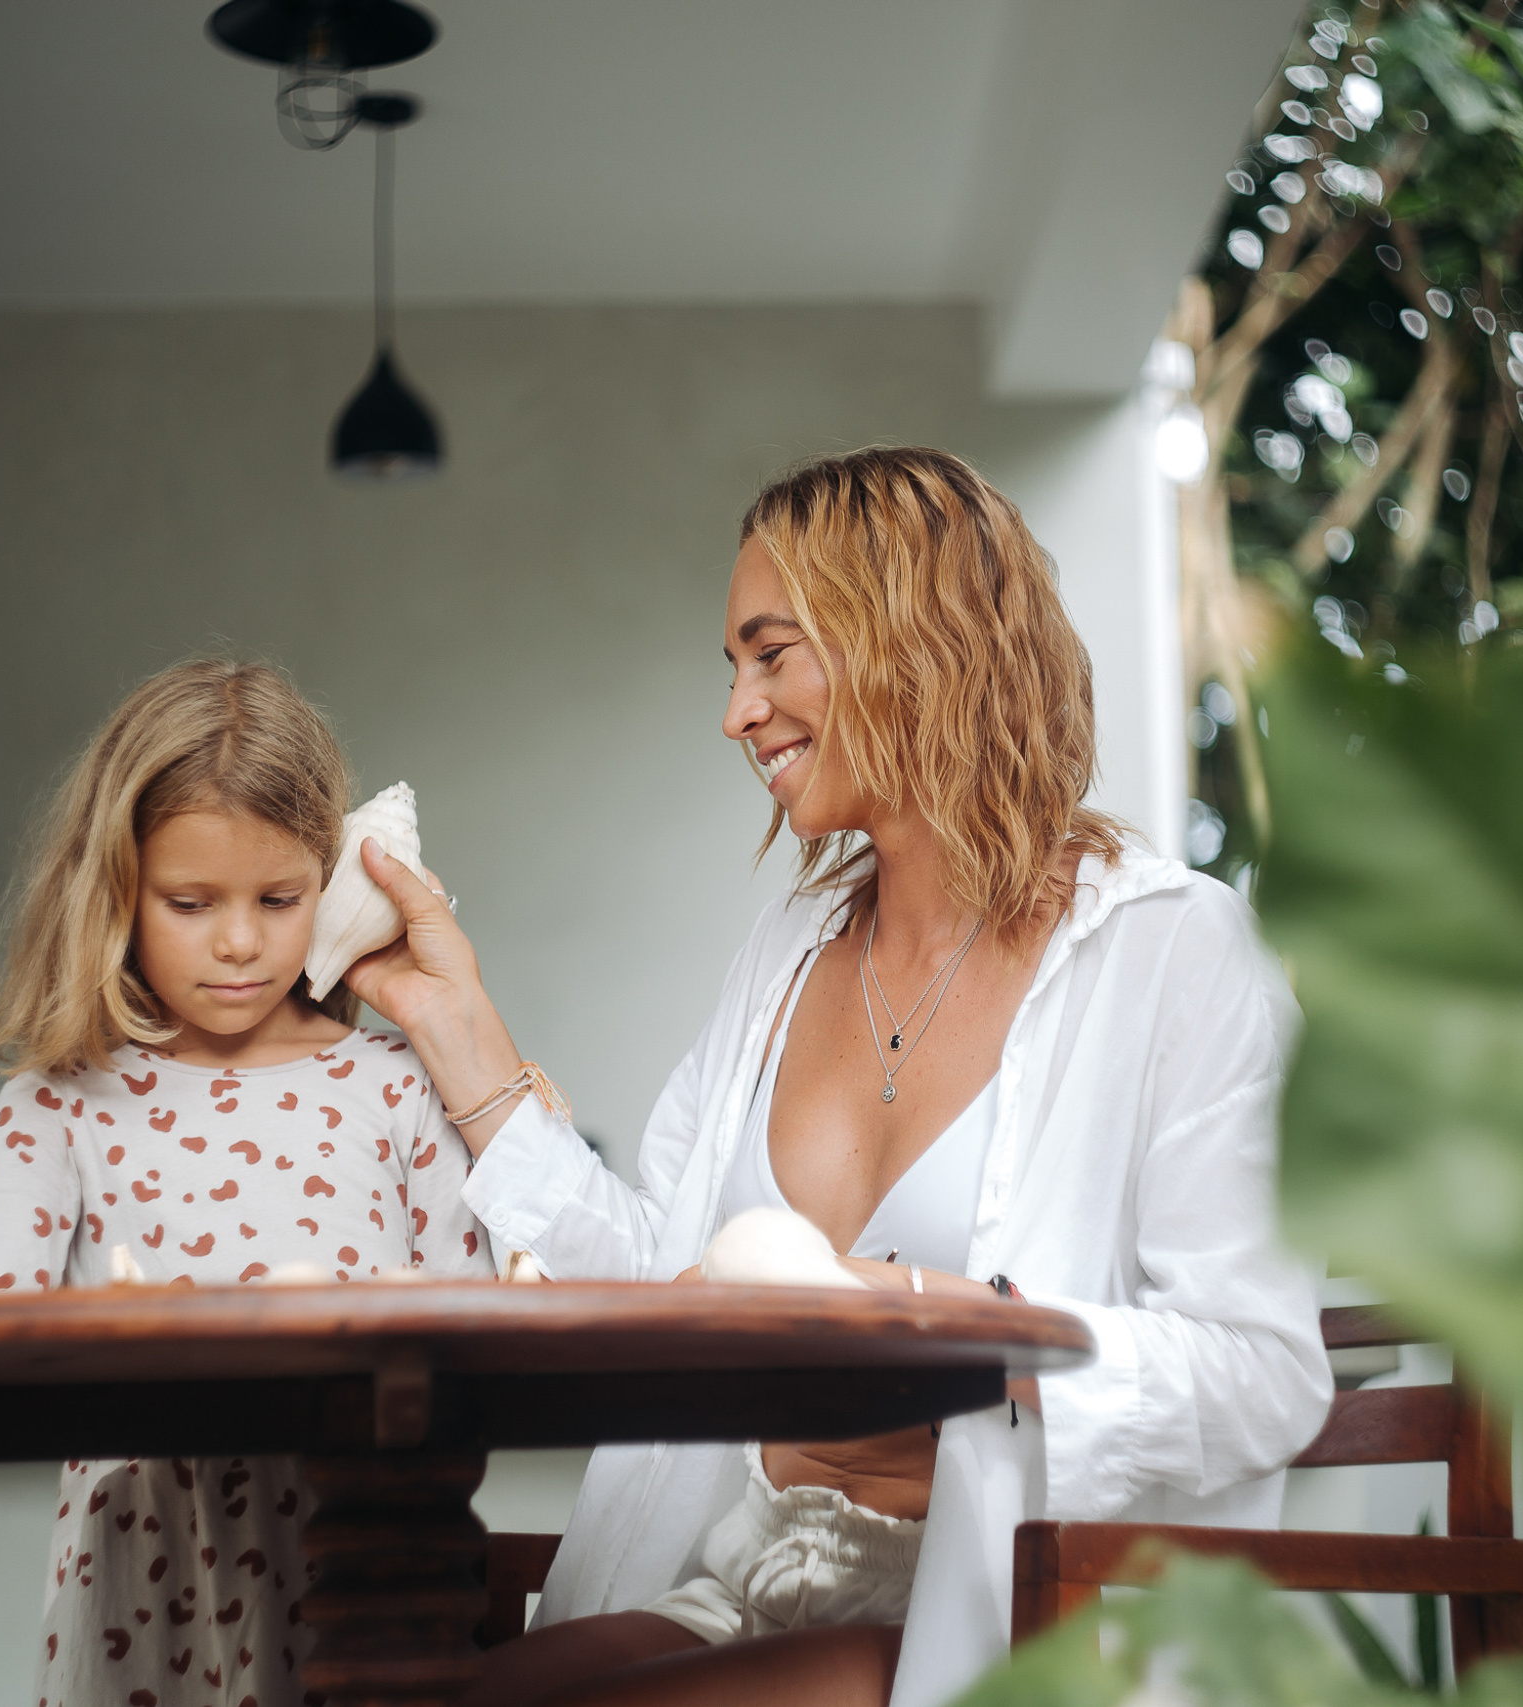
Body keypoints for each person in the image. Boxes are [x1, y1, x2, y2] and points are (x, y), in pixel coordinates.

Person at [338, 448, 1333, 1707]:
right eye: (732, 667)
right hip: (751, 1572)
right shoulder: (790, 953)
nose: (736, 712)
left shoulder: (1173, 952)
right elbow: (659, 1281)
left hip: (1006, 1611)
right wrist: (453, 1022)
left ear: (914, 639)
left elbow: (1262, 1375)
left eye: (770, 655)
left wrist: (947, 1320)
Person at [0, 658, 494, 1707]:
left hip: (363, 1564)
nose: (239, 941)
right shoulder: (57, 1101)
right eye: (189, 902)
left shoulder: (399, 1085)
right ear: (117, 892)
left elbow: (479, 1335)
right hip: (142, 1575)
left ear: (332, 885)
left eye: (280, 899)